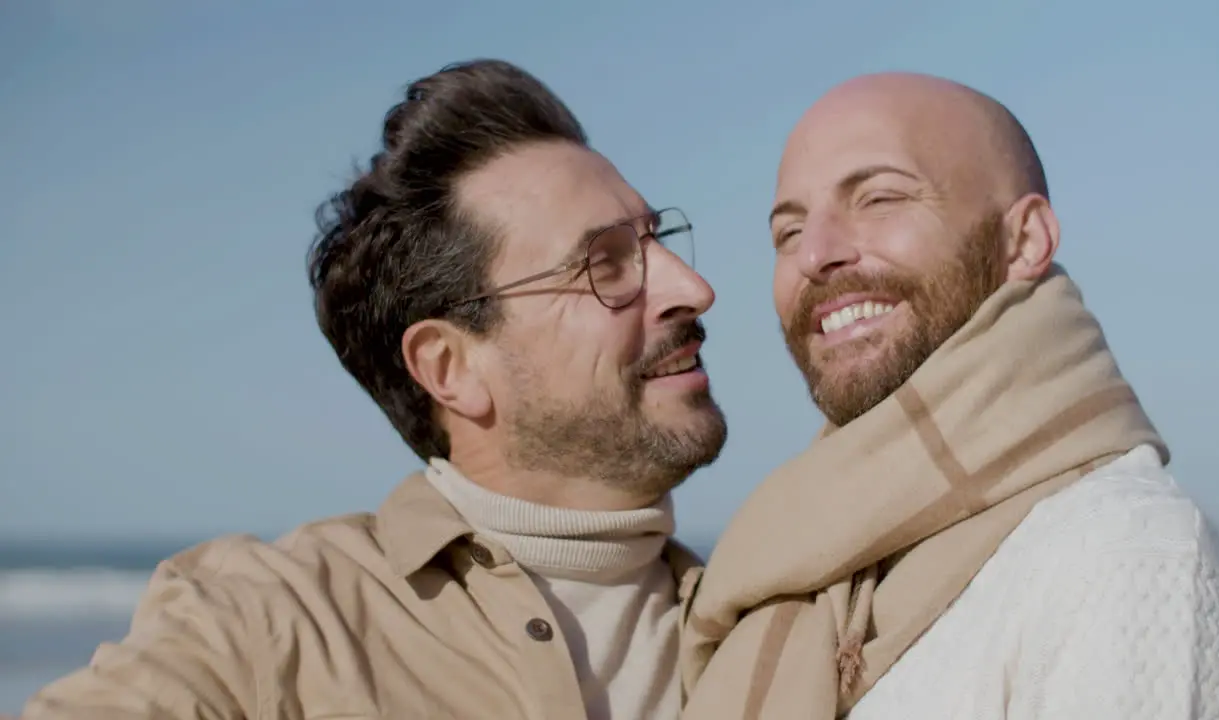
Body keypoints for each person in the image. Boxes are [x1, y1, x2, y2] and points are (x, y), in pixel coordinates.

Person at [21, 59, 727, 720]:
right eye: (604, 265)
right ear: (451, 368)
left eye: (656, 240)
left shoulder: (767, 622)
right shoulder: (273, 621)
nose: (692, 289)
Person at [677, 72, 1219, 719]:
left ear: (1024, 240)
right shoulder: (800, 560)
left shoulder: (1129, 559)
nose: (814, 254)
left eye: (878, 198)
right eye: (787, 233)